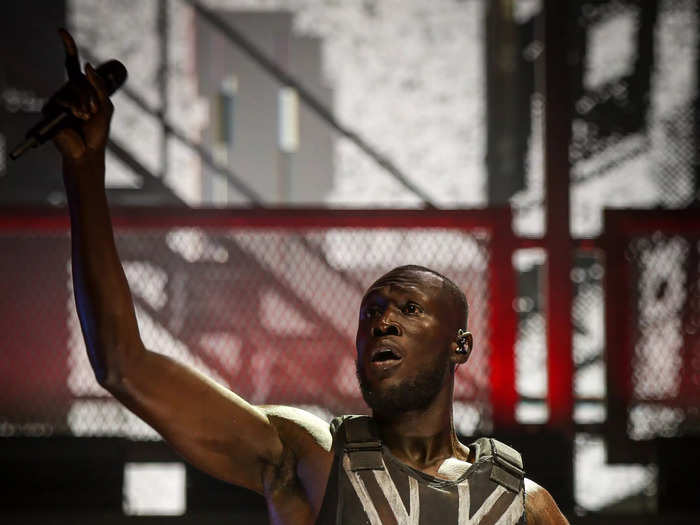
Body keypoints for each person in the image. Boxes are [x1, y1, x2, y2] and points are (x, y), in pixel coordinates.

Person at [51, 29, 569, 525]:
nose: (383, 321)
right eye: (371, 312)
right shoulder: (308, 456)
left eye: (409, 309)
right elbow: (123, 367)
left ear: (460, 346)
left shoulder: (522, 505)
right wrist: (85, 168)